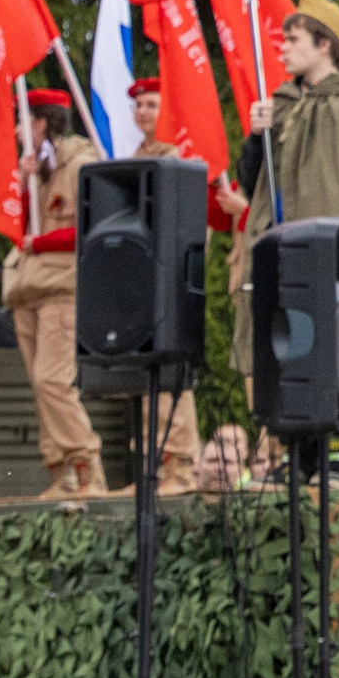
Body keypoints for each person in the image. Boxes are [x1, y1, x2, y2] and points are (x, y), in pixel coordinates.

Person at [235, 0, 339, 382]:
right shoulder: (279, 105)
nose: (282, 49)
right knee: (284, 369)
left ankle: (337, 448)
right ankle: (287, 445)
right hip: (281, 254)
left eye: (293, 40)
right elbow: (252, 186)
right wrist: (255, 137)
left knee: (334, 371)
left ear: (324, 44)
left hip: (333, 256)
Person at [2, 87, 106, 500]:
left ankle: (87, 465)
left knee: (52, 379)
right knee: (39, 384)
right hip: (26, 286)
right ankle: (60, 471)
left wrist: (40, 245)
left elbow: (93, 227)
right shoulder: (33, 167)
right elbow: (20, 225)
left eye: (21, 120)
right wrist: (24, 181)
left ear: (41, 123)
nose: (14, 130)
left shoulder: (81, 165)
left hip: (62, 285)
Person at [127, 78, 203, 496]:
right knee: (146, 377)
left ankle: (181, 468)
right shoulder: (139, 157)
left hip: (173, 275)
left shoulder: (178, 157)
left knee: (173, 372)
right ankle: (153, 471)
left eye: (151, 104)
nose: (142, 112)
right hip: (142, 275)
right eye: (138, 105)